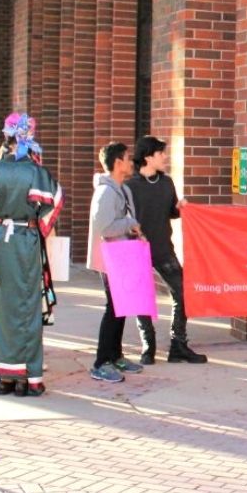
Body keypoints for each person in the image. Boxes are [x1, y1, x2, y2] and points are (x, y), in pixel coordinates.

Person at [0, 113, 62, 396]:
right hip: (28, 241)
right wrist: (38, 227)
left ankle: (3, 375)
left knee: (1, 306)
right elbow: (55, 201)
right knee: (29, 306)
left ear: (5, 138)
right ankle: (29, 378)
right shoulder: (37, 172)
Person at [125, 136, 207, 364]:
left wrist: (180, 208)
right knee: (141, 299)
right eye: (161, 154)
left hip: (163, 248)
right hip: (137, 250)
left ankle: (178, 345)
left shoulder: (167, 182)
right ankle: (148, 346)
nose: (165, 157)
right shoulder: (129, 186)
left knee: (182, 293)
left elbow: (171, 211)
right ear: (148, 157)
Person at [87, 142, 146, 383]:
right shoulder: (105, 192)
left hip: (125, 253)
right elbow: (104, 227)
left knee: (121, 307)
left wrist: (132, 228)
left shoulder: (122, 189)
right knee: (113, 308)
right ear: (118, 163)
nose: (131, 162)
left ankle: (116, 355)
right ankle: (101, 362)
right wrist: (129, 224)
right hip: (112, 256)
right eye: (127, 158)